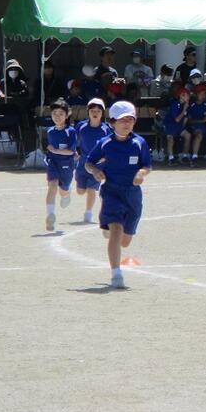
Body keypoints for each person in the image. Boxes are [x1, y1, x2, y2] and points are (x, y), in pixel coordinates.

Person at [85, 100, 152, 290]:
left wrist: (141, 174)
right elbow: (89, 163)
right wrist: (95, 171)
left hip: (133, 195)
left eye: (131, 119)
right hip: (112, 192)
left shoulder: (139, 143)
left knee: (125, 241)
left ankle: (112, 232)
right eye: (123, 120)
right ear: (113, 122)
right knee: (116, 230)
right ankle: (116, 274)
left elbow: (147, 165)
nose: (127, 123)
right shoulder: (104, 143)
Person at [74, 98, 113, 223]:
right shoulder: (81, 126)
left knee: (91, 189)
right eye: (92, 111)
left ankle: (88, 213)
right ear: (88, 112)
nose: (95, 113)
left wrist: (106, 157)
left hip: (98, 165)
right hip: (83, 163)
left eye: (98, 111)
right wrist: (75, 151)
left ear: (102, 113)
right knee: (80, 191)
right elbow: (74, 141)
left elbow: (111, 145)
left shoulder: (106, 129)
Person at [44, 98, 77, 232]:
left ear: (67, 115)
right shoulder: (50, 131)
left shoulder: (71, 131)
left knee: (63, 189)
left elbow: (71, 151)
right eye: (54, 114)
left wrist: (55, 150)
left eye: (61, 114)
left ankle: (66, 192)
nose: (57, 117)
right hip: (53, 162)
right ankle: (50, 215)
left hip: (66, 164)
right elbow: (51, 147)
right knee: (52, 185)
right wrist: (52, 152)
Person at [186, 84, 206, 166]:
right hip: (194, 127)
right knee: (199, 134)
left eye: (204, 94)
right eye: (201, 94)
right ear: (196, 95)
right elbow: (189, 121)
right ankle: (194, 157)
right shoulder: (191, 106)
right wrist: (202, 121)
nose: (203, 96)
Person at [163, 87, 192, 166]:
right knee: (170, 139)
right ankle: (171, 159)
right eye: (187, 95)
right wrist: (184, 109)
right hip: (169, 124)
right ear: (181, 95)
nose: (188, 97)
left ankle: (184, 156)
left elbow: (185, 119)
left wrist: (181, 131)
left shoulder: (186, 105)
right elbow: (177, 119)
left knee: (188, 135)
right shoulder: (175, 104)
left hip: (178, 126)